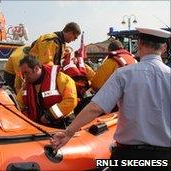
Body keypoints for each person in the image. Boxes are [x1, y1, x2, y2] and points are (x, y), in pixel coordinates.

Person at [51, 28, 171, 170]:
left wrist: (68, 132)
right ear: (164, 48)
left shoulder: (123, 74)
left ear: (139, 44)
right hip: (165, 159)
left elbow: (95, 108)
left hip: (128, 157)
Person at [16, 56, 77, 128]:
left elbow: (71, 101)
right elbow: (17, 103)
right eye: (23, 74)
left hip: (63, 123)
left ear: (36, 68)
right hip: (40, 126)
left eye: (26, 73)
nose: (25, 76)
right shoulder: (27, 85)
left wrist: (49, 115)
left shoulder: (61, 78)